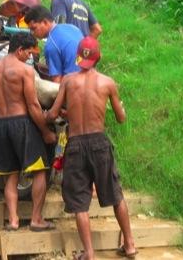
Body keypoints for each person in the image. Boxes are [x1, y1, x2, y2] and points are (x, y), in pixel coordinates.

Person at [45, 37, 137, 260]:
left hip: (76, 144)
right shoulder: (107, 83)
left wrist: (48, 115)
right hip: (99, 143)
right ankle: (130, 245)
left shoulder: (68, 81)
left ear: (79, 56)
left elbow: (54, 114)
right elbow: (121, 118)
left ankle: (89, 253)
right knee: (116, 196)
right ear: (99, 57)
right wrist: (121, 108)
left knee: (80, 204)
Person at [0, 33, 57, 231]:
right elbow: (33, 105)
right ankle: (36, 220)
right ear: (19, 50)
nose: (30, 57)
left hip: (1, 124)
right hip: (22, 124)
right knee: (40, 170)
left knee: (11, 174)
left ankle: (13, 220)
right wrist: (45, 131)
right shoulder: (24, 70)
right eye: (29, 53)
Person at [25, 5, 83, 83]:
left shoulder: (51, 45)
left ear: (45, 22)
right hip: (88, 79)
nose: (32, 33)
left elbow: (57, 80)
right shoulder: (73, 28)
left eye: (34, 28)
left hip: (73, 85)